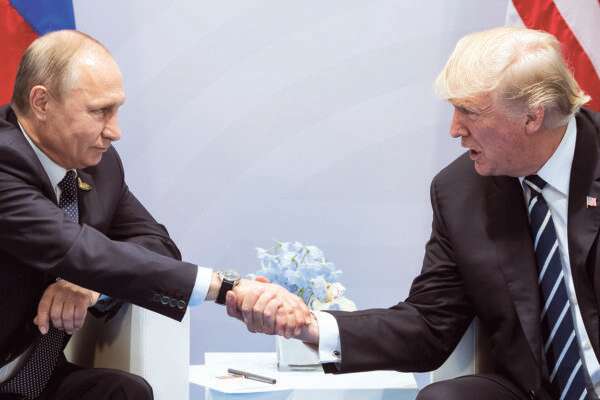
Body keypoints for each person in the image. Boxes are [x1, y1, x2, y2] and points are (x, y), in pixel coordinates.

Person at [235, 26, 600, 400]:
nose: (455, 129)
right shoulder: (461, 191)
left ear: (532, 117)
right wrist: (310, 326)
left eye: (469, 111)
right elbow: (430, 323)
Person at [0, 30, 309, 400]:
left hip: (33, 378)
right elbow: (74, 250)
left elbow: (159, 245)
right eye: (99, 111)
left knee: (125, 392)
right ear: (41, 102)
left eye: (116, 110)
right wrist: (225, 287)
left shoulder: (99, 166)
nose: (115, 131)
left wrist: (91, 286)